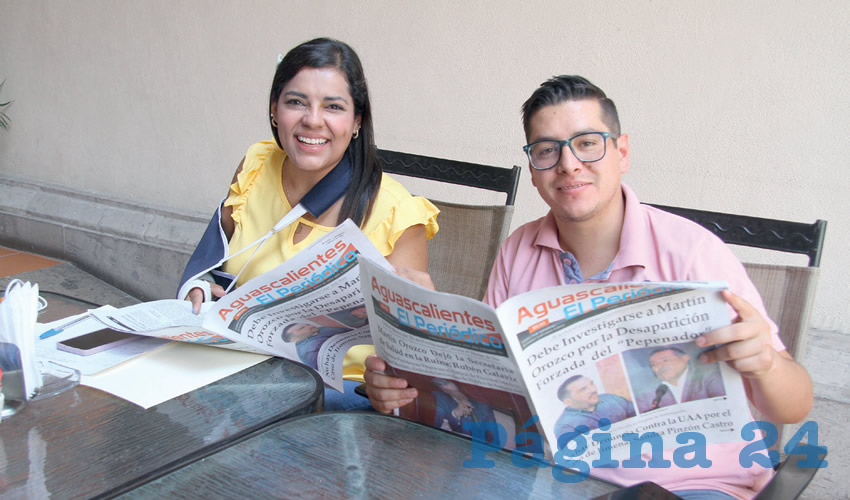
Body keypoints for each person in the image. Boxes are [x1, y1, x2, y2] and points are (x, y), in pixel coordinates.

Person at [365, 75, 813, 498]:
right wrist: (406, 388)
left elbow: (793, 407)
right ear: (533, 166)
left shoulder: (693, 252)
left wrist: (766, 365)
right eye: (547, 150)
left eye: (586, 144)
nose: (568, 165)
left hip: (690, 486)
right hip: (548, 476)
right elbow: (490, 389)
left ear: (622, 152)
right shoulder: (519, 248)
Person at [178, 38, 439, 411]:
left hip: (335, 400)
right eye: (296, 102)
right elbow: (215, 266)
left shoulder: (397, 213)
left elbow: (408, 361)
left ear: (356, 121)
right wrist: (200, 288)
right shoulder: (255, 166)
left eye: (333, 106)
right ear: (274, 110)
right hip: (237, 374)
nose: (312, 120)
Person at [636, 347, 725, 413]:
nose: (660, 366)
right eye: (654, 365)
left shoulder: (708, 376)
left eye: (665, 360)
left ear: (685, 358)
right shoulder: (646, 395)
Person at [554, 375, 635, 437]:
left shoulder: (611, 398)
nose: (593, 390)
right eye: (583, 389)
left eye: (592, 384)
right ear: (568, 401)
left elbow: (637, 413)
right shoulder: (564, 426)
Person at [431, 378, 496, 440]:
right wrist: (455, 414)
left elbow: (493, 440)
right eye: (441, 383)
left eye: (446, 382)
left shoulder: (483, 406)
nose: (444, 387)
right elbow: (433, 432)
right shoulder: (439, 398)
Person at [280, 322, 349, 371]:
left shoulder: (320, 330)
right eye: (302, 328)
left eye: (307, 324)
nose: (309, 326)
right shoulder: (308, 352)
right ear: (294, 339)